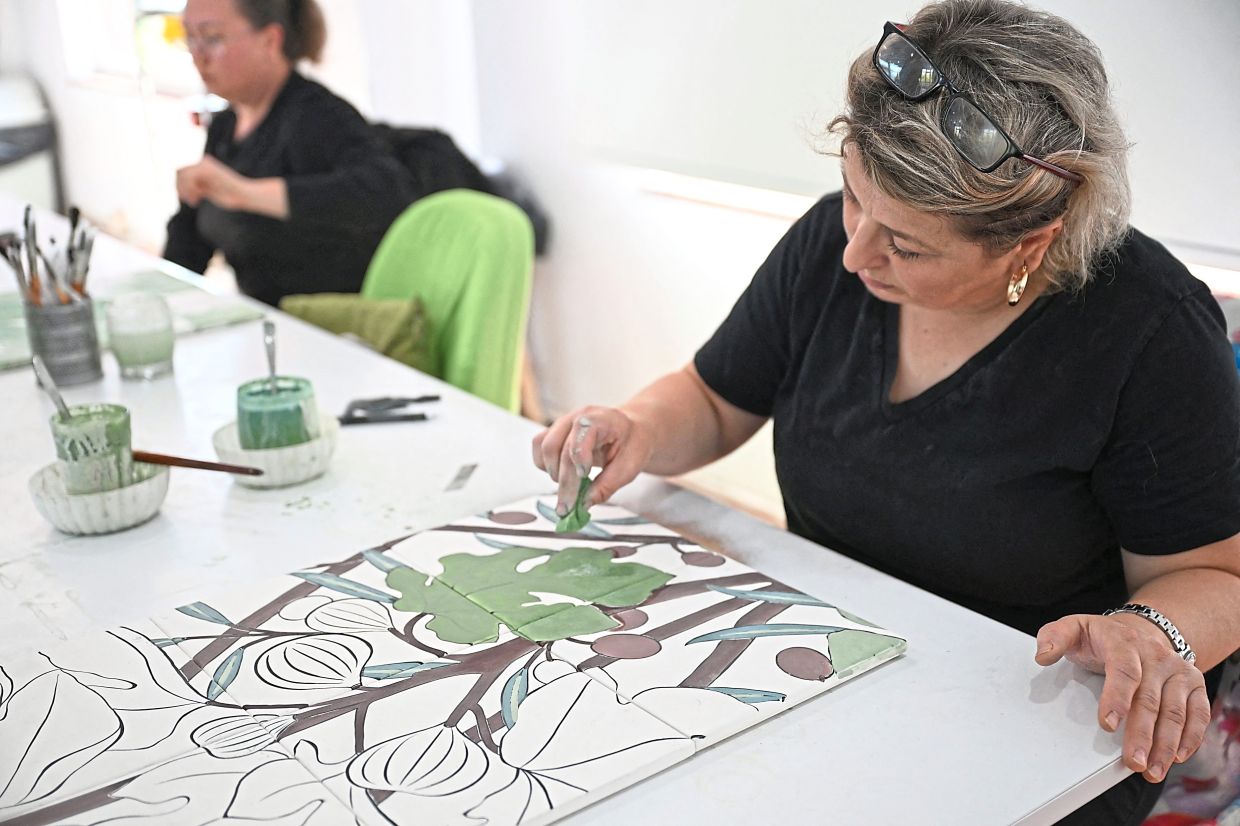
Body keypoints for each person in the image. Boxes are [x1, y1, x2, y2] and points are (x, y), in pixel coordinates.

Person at [531, 1, 1240, 823]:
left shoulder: (1149, 333)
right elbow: (713, 397)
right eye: (849, 197)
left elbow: (1216, 575)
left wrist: (1150, 632)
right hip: (828, 654)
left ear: (1031, 244)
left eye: (906, 245)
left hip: (1040, 723)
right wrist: (640, 426)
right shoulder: (836, 255)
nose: (854, 252)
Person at [164, 0, 413, 307]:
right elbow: (192, 233)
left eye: (213, 38)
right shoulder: (225, 126)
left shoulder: (318, 116)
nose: (197, 56)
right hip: (264, 322)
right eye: (190, 38)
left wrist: (246, 193)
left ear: (270, 40)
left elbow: (385, 192)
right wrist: (162, 294)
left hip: (331, 327)